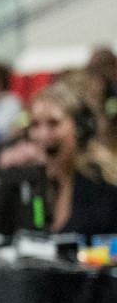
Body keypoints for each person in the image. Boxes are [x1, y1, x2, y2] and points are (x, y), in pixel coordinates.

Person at [26, 82, 117, 236]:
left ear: (81, 129)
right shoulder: (41, 184)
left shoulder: (103, 184)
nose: (42, 134)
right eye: (35, 124)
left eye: (53, 123)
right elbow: (39, 228)